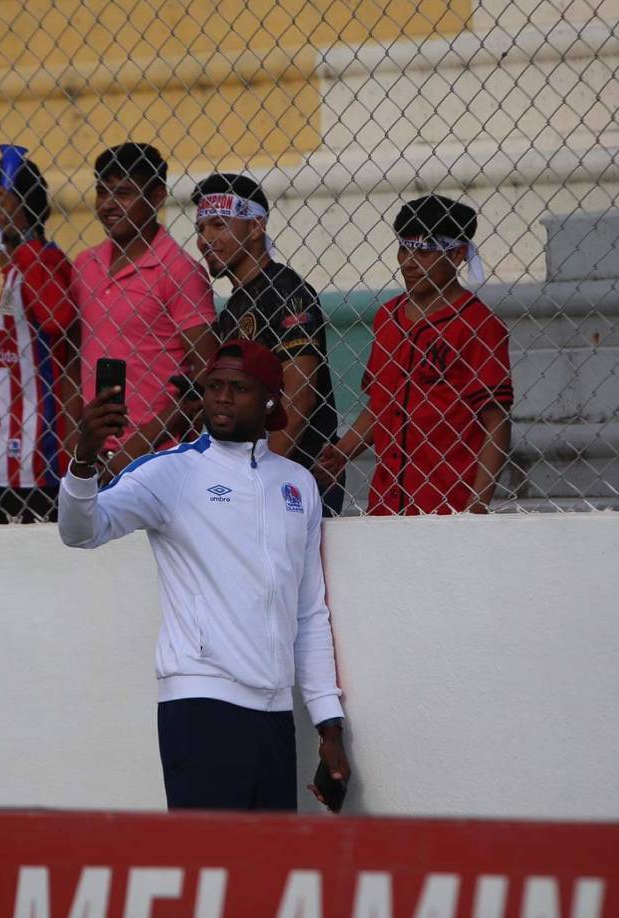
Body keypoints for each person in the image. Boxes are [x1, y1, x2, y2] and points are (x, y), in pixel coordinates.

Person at [59, 339, 350, 812]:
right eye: (214, 386)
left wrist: (328, 724)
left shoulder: (298, 485)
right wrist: (84, 460)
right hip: (200, 705)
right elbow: (80, 530)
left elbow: (309, 612)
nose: (222, 398)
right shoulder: (172, 472)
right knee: (208, 871)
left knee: (266, 878)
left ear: (272, 399)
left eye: (239, 388)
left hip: (276, 715)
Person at [317, 194, 513, 514]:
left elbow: (496, 422)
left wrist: (477, 506)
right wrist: (343, 452)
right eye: (404, 249)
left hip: (449, 506)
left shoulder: (479, 325)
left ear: (458, 254)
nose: (409, 261)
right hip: (385, 504)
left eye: (424, 251)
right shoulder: (387, 317)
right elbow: (381, 403)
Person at [191, 173, 344, 517]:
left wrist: (258, 476)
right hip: (251, 476)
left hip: (298, 474)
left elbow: (300, 396)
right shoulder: (233, 309)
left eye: (219, 225)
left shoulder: (287, 291)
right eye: (201, 229)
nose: (206, 240)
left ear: (257, 226)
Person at [70, 142, 217, 479]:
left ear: (155, 197)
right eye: (101, 192)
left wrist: (138, 446)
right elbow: (71, 359)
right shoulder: (83, 266)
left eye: (122, 193)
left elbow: (207, 371)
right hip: (92, 455)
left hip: (160, 457)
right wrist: (77, 441)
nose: (108, 204)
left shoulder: (180, 271)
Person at [0, 146, 79, 524]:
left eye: (4, 202)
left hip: (37, 457)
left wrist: (24, 235)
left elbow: (58, 319)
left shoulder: (45, 260)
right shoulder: (14, 268)